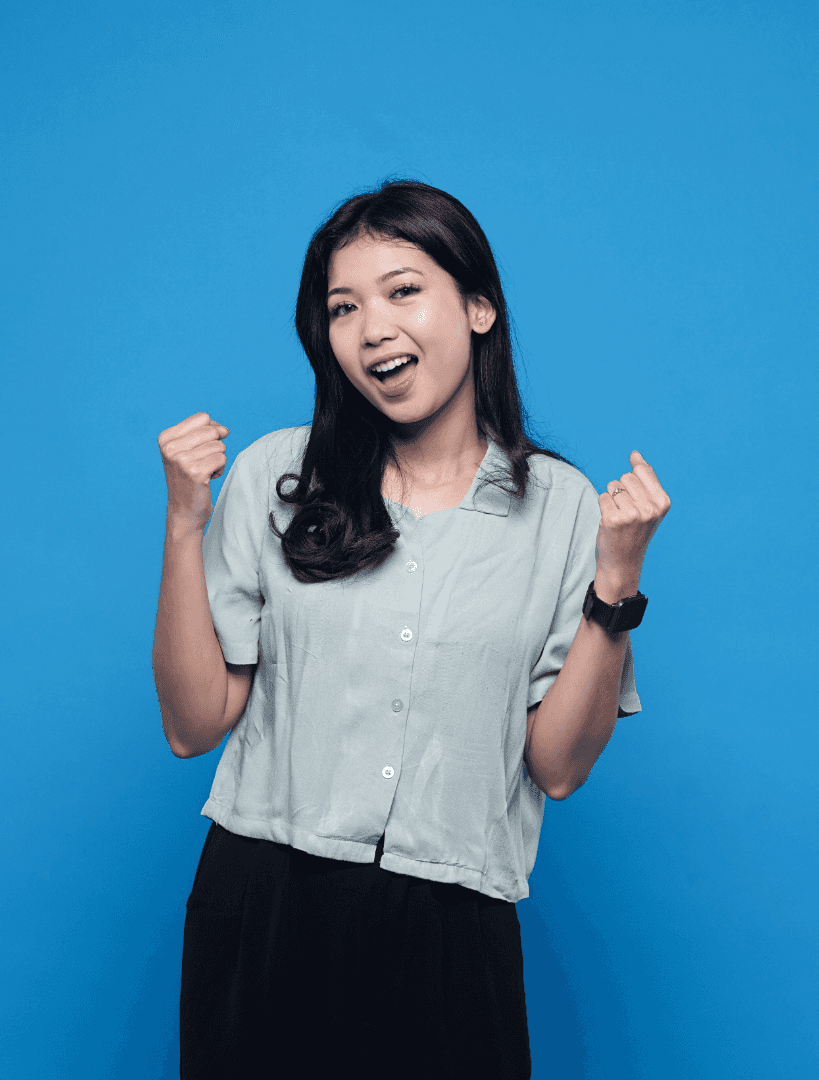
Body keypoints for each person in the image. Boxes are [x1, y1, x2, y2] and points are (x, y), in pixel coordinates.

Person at [152, 180, 670, 1079]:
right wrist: (183, 524)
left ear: (478, 307)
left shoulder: (562, 510)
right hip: (266, 900)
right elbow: (192, 727)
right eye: (343, 307)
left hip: (451, 931)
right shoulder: (278, 475)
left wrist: (615, 585)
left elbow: (558, 767)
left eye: (402, 291)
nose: (372, 329)